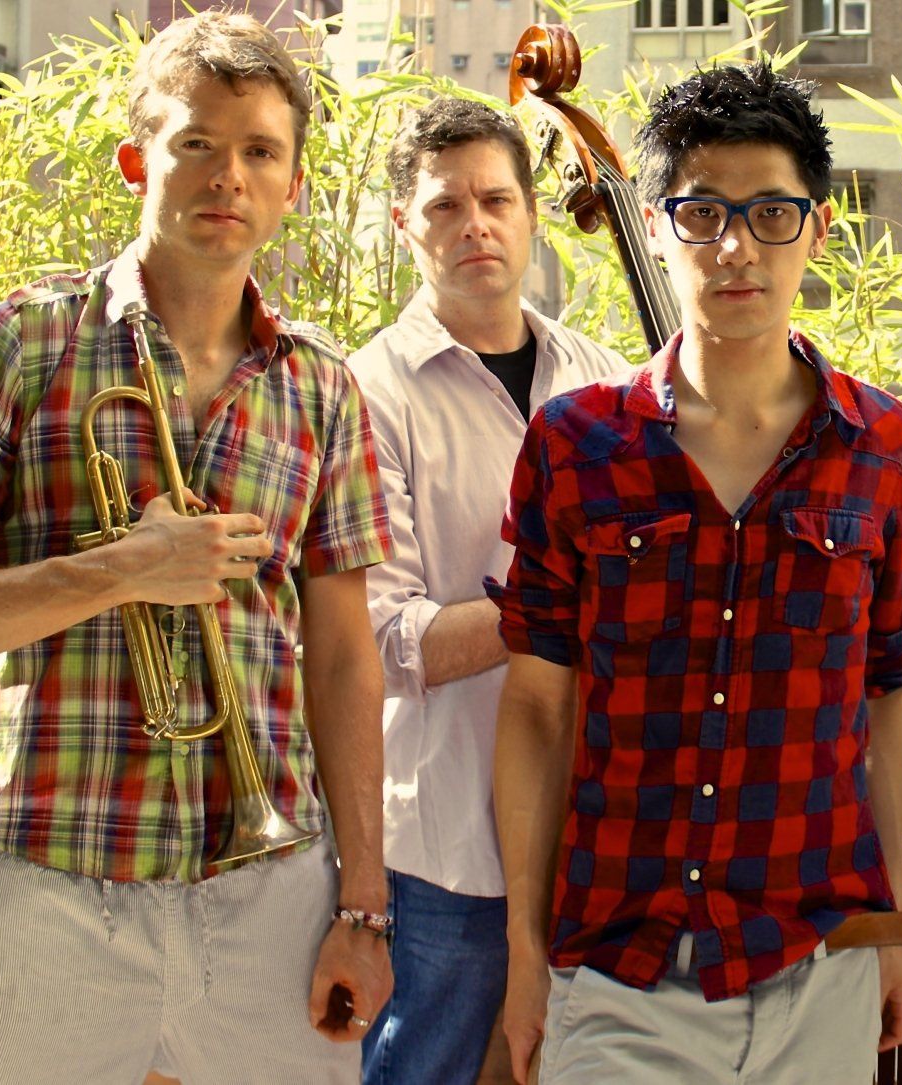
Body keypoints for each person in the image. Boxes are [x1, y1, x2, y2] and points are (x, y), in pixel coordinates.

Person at [0, 11, 393, 1082]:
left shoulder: (324, 387)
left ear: (292, 185)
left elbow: (341, 657)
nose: (226, 176)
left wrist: (362, 902)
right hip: (49, 885)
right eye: (196, 143)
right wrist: (121, 567)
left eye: (258, 152)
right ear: (137, 159)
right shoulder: (17, 344)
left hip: (268, 896)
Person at [486, 63, 902, 1085]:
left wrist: (891, 924)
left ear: (817, 227)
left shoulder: (881, 439)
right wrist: (522, 948)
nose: (736, 247)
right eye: (703, 213)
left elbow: (884, 694)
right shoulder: (573, 440)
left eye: (772, 212)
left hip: (821, 960)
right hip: (620, 963)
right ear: (654, 221)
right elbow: (538, 710)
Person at [350, 95, 627, 1085]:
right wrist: (566, 591)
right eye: (444, 205)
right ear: (403, 226)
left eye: (497, 199)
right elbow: (390, 639)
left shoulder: (609, 383)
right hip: (446, 846)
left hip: (598, 830)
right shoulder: (365, 393)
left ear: (533, 213)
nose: (475, 222)